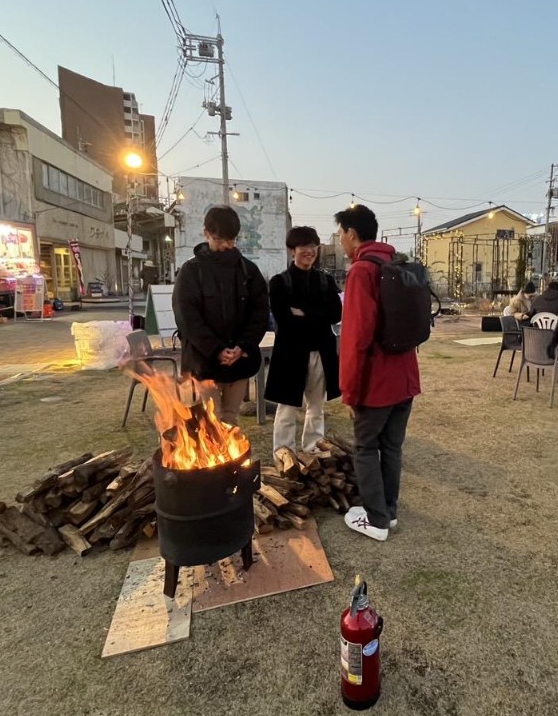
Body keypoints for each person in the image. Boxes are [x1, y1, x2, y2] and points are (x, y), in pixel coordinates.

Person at [334, 204, 421, 542]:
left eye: (340, 233)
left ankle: (376, 519)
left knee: (366, 448)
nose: (339, 239)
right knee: (392, 447)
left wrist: (349, 391)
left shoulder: (361, 271)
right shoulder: (394, 262)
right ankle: (389, 511)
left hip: (376, 383)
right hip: (405, 377)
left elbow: (356, 338)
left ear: (352, 234)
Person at [171, 205, 269, 426]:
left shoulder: (248, 271)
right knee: (210, 423)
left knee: (230, 420)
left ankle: (230, 451)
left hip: (239, 361)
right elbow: (186, 317)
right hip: (203, 363)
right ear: (206, 233)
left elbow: (260, 313)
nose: (226, 245)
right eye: (220, 239)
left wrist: (243, 346)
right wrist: (215, 349)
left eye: (231, 240)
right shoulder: (191, 271)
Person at [266, 226, 341, 452]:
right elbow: (284, 319)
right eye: (303, 246)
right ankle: (283, 453)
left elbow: (336, 314)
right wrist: (317, 314)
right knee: (286, 408)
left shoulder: (326, 280)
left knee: (316, 408)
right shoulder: (279, 282)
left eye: (313, 246)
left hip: (321, 351)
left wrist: (303, 313)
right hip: (290, 354)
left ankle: (313, 450)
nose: (310, 251)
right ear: (292, 250)